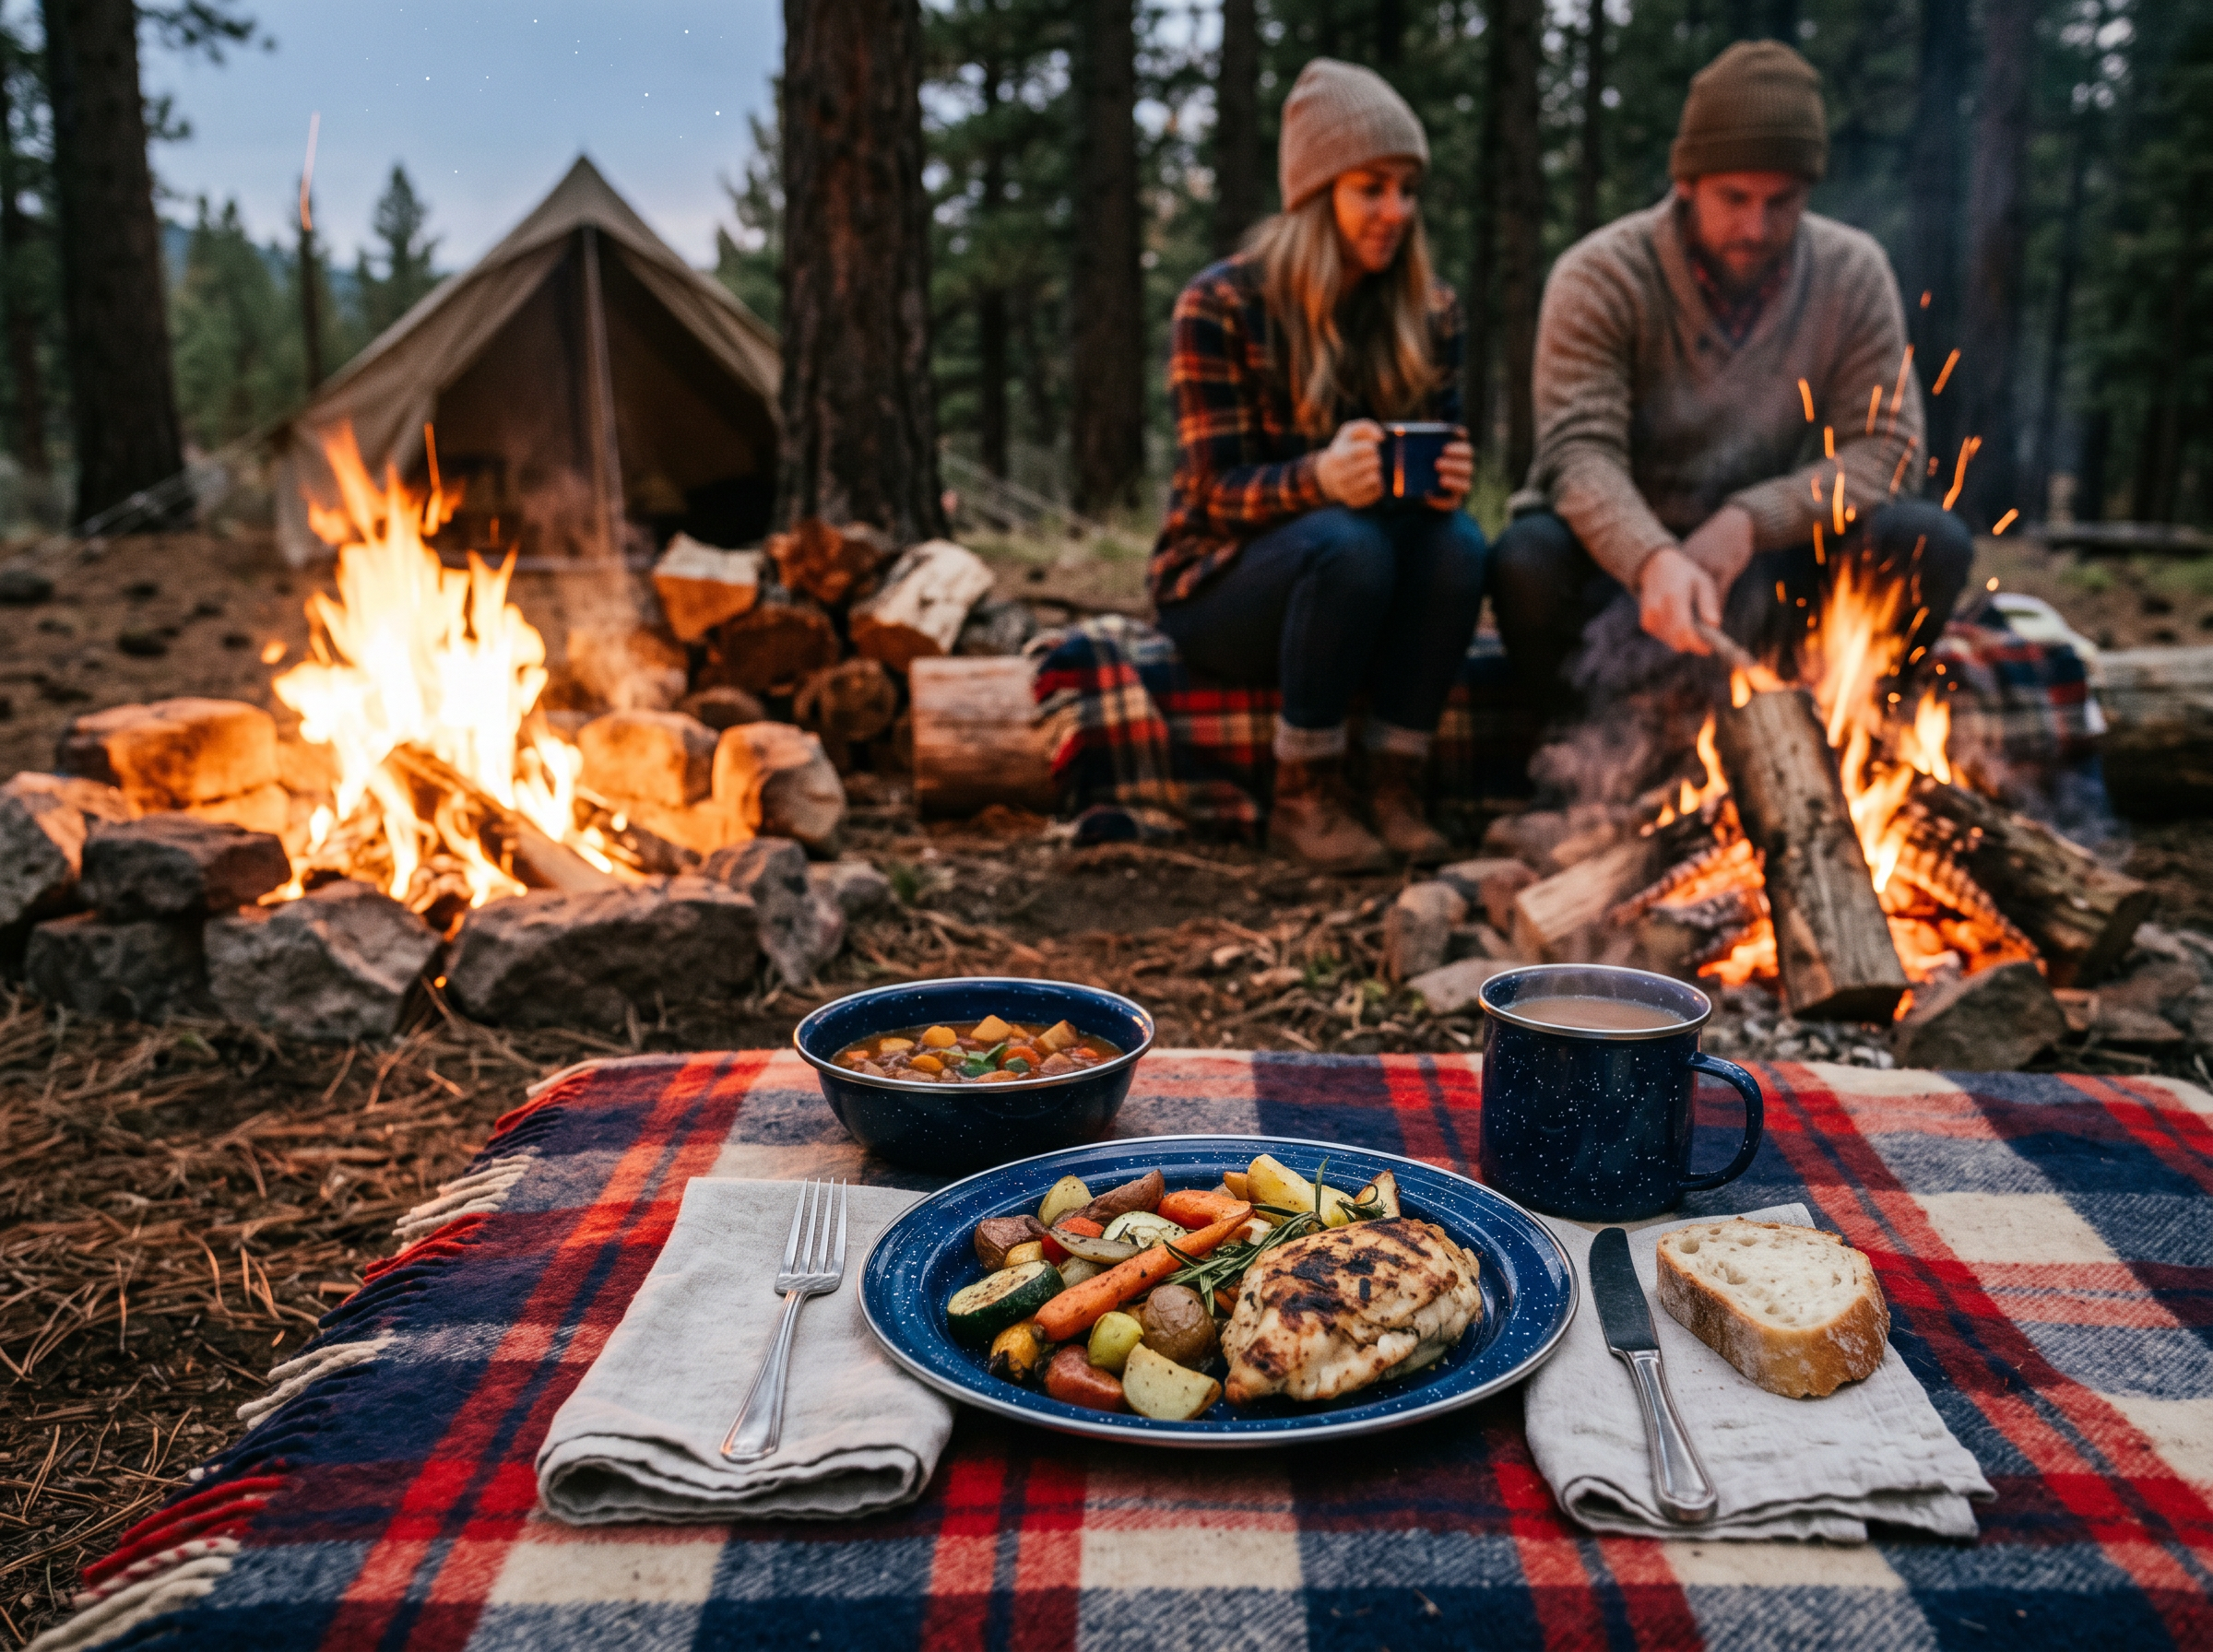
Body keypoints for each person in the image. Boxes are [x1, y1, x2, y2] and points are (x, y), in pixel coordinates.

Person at [1491, 41, 1972, 714]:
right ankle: (1577, 777)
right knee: (1527, 560)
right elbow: (1578, 458)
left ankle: (1848, 743)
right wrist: (1652, 557)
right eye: (1735, 197)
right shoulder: (1601, 276)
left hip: (1771, 569)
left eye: (1783, 201)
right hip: (1620, 577)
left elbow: (1888, 454)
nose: (1756, 226)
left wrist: (1750, 520)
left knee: (1927, 539)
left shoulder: (1852, 273)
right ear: (1685, 181)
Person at [1150, 58, 1487, 872]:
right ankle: (1304, 794)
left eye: (1407, 190)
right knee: (1347, 539)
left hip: (1365, 584)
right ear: (1316, 192)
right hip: (1225, 588)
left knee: (1461, 544)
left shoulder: (1430, 309)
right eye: (1371, 187)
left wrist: (1442, 481)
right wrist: (1318, 481)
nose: (1395, 212)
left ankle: (1393, 781)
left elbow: (1431, 480)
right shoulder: (1223, 304)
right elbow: (1211, 495)